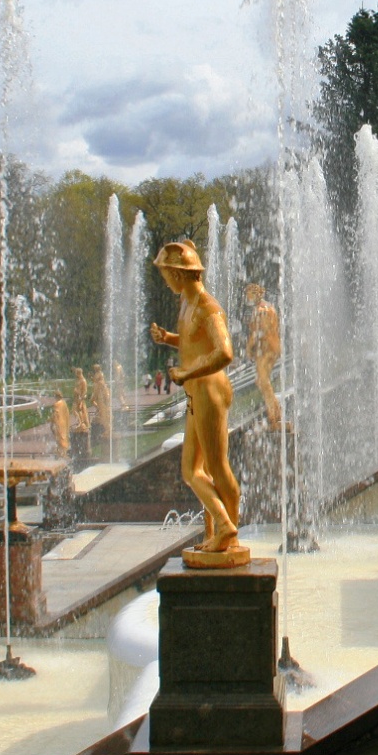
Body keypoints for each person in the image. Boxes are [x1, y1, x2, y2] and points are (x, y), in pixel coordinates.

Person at [149, 240, 242, 563]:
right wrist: (169, 339)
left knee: (215, 466)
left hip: (210, 390)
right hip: (195, 389)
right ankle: (219, 530)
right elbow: (194, 341)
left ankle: (226, 528)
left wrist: (187, 371)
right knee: (192, 469)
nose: (165, 279)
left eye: (166, 273)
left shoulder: (207, 307)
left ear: (179, 273)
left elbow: (224, 352)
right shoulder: (187, 304)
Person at [245, 283, 284, 430]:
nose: (247, 297)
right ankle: (275, 412)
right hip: (273, 347)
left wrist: (249, 349)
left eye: (248, 294)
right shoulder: (269, 308)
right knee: (261, 381)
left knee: (262, 381)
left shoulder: (260, 310)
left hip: (267, 348)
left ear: (255, 294)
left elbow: (257, 333)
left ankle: (275, 414)